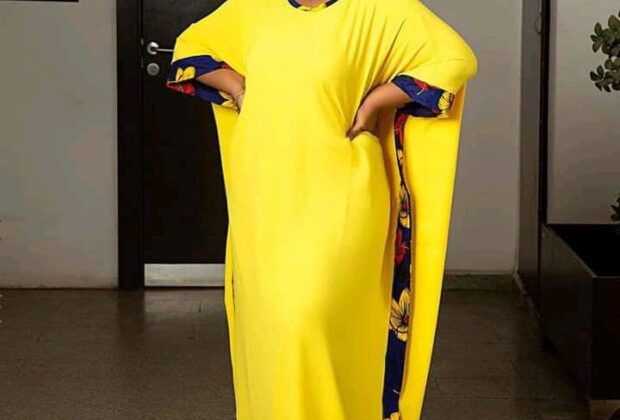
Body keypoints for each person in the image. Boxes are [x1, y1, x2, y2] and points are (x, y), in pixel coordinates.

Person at [166, 0, 478, 418]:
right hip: (265, 194)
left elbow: (455, 57)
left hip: (341, 192)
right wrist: (239, 89)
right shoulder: (253, 7)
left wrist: (375, 102)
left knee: (308, 316)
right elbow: (189, 46)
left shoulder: (378, 9)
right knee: (272, 329)